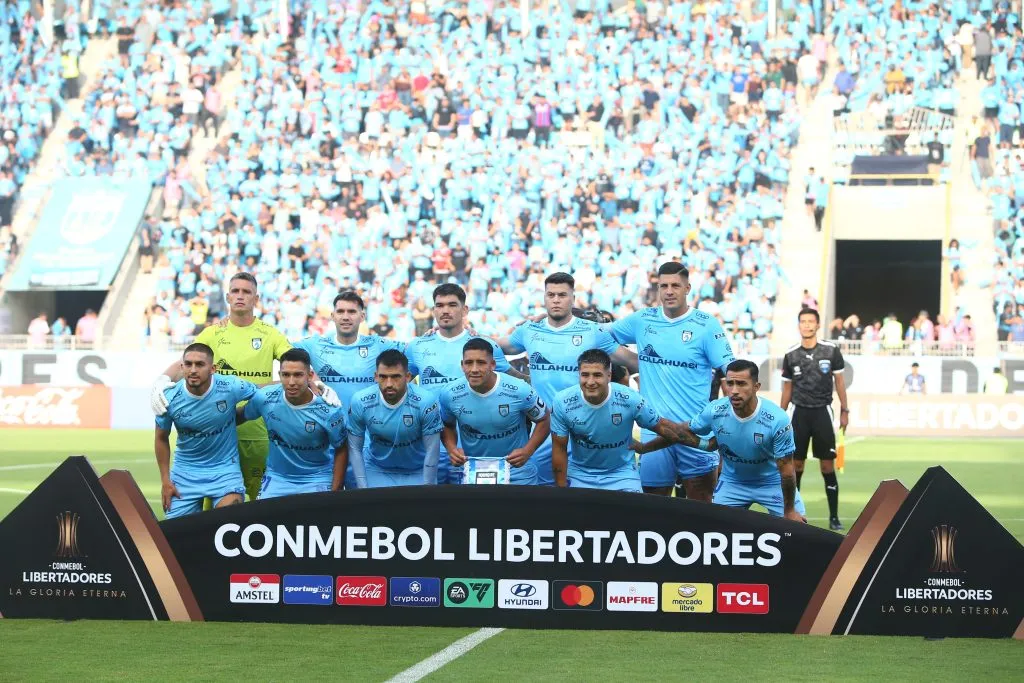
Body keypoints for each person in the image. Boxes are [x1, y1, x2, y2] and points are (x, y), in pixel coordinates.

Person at [150, 273, 292, 501]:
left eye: (246, 292)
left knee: (260, 508)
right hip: (214, 440)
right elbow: (184, 364)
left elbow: (294, 365)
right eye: (235, 291)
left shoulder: (270, 334)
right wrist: (161, 381)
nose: (240, 296)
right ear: (227, 296)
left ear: (256, 298)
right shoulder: (213, 334)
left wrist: (313, 383)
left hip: (258, 433)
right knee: (215, 518)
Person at [494, 272, 639, 485]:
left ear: (572, 297)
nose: (556, 300)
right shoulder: (529, 331)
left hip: (584, 429)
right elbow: (494, 347)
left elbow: (631, 360)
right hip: (544, 428)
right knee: (543, 493)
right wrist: (460, 332)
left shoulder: (592, 332)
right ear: (544, 297)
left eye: (562, 295)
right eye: (550, 294)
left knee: (586, 493)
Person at [608, 262, 735, 500]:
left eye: (675, 285)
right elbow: (603, 334)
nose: (669, 291)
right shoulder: (642, 320)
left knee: (703, 507)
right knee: (654, 510)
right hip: (654, 430)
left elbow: (731, 370)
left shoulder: (706, 325)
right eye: (663, 285)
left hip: (696, 429)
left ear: (687, 288)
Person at [646, 360, 806, 521]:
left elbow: (786, 471)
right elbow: (681, 432)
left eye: (741, 384)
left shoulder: (777, 419)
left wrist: (790, 510)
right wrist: (645, 447)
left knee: (799, 532)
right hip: (733, 482)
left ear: (756, 387)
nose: (734, 390)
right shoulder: (715, 410)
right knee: (715, 532)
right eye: (730, 383)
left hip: (771, 482)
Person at [406, 283, 519, 484]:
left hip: (475, 449)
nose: (445, 310)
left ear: (465, 310)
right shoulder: (417, 346)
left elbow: (514, 383)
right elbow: (401, 383)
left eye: (452, 305)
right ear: (433, 310)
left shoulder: (484, 346)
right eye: (439, 305)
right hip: (430, 446)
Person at [293, 290, 405, 488]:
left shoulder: (377, 344)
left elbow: (416, 352)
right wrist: (309, 379)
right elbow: (282, 355)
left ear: (362, 316)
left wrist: (436, 332)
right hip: (326, 442)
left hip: (366, 443)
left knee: (363, 506)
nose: (346, 316)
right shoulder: (315, 344)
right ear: (333, 315)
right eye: (341, 311)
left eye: (352, 312)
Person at [551, 349, 690, 492]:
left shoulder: (631, 399)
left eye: (597, 375)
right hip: (580, 473)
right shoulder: (563, 402)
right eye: (585, 375)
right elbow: (559, 448)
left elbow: (668, 430)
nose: (590, 382)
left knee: (634, 514)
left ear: (609, 376)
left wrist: (645, 447)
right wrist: (562, 490)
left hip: (622, 473)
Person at [154, 343, 256, 518]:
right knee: (176, 536)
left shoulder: (230, 386)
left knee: (229, 524)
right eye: (188, 364)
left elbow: (262, 394)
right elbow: (161, 438)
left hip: (225, 471)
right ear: (182, 367)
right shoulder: (168, 397)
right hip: (185, 473)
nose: (193, 370)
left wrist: (243, 414)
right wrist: (165, 480)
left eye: (200, 364)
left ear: (213, 368)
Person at [237, 348, 348, 498]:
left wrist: (335, 493)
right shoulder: (265, 398)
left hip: (316, 478)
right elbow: (238, 417)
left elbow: (342, 449)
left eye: (298, 375)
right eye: (286, 375)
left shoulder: (330, 410)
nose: (291, 382)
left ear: (309, 376)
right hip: (277, 477)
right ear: (280, 375)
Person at [440, 338, 550, 485]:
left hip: (516, 470)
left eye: (481, 362)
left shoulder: (520, 390)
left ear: (492, 364)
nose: (474, 369)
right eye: (468, 363)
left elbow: (544, 419)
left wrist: (528, 451)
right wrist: (451, 448)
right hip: (472, 469)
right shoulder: (449, 394)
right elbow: (447, 424)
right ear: (462, 365)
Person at [780, 308, 849, 530]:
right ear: (798, 325)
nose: (807, 325)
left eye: (811, 321)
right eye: (803, 321)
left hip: (823, 413)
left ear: (818, 325)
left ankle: (834, 517)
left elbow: (839, 382)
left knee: (827, 467)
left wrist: (844, 410)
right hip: (799, 413)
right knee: (796, 466)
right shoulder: (791, 355)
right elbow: (787, 389)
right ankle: (794, 512)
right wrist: (780, 417)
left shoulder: (831, 351)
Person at [346, 350, 442, 488]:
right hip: (377, 469)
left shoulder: (425, 401)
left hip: (417, 470)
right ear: (375, 376)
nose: (389, 384)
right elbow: (355, 448)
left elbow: (432, 450)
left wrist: (427, 487)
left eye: (396, 377)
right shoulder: (360, 401)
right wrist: (363, 487)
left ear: (408, 376)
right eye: (383, 377)